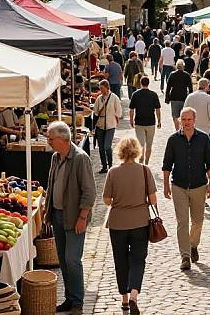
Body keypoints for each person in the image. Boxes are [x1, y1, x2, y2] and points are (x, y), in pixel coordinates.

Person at [45, 121, 96, 315]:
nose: (48, 141)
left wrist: (83, 217)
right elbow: (51, 184)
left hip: (74, 217)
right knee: (63, 260)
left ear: (63, 139)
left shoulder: (80, 158)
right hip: (58, 215)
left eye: (51, 138)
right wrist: (47, 210)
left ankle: (78, 302)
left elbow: (89, 191)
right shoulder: (55, 158)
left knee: (72, 259)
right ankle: (69, 297)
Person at [103, 138, 157, 314]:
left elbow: (107, 199)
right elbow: (153, 199)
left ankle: (124, 299)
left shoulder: (113, 172)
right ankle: (134, 294)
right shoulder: (144, 170)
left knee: (120, 260)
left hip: (117, 222)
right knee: (138, 259)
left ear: (119, 151)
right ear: (137, 151)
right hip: (140, 221)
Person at [162, 107, 210, 271]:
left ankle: (193, 245)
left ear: (195, 120)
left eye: (189, 119)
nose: (186, 123)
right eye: (183, 119)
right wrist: (165, 185)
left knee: (198, 221)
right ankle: (185, 256)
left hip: (199, 185)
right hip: (178, 185)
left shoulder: (204, 139)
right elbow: (166, 165)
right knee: (182, 222)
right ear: (179, 120)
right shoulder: (173, 140)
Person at [129, 77, 162, 165]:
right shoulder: (153, 95)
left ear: (140, 83)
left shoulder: (135, 94)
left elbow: (131, 109)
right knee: (149, 144)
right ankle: (146, 163)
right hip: (151, 122)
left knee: (140, 144)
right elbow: (158, 109)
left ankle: (141, 160)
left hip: (139, 122)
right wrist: (159, 121)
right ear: (148, 83)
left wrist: (131, 120)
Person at [93, 80, 123, 173]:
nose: (100, 90)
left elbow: (118, 111)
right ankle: (104, 166)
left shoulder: (114, 98)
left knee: (107, 146)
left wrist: (115, 119)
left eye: (102, 88)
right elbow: (96, 111)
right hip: (100, 125)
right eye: (100, 88)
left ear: (107, 87)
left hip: (110, 125)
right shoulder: (99, 98)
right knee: (101, 147)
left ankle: (110, 164)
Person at [165, 59, 194, 131]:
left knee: (175, 116)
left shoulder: (172, 74)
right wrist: (190, 98)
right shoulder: (187, 75)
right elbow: (190, 88)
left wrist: (167, 98)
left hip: (174, 97)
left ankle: (177, 129)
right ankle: (182, 129)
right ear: (183, 66)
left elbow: (168, 87)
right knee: (183, 115)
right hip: (184, 97)